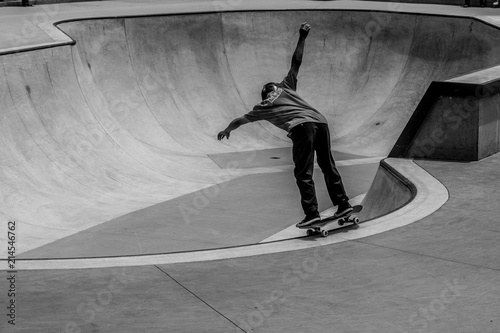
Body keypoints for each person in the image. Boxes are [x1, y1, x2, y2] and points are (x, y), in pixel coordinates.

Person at [217, 22, 352, 228]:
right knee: (327, 166)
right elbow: (296, 62)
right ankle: (343, 204)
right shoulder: (286, 86)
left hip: (301, 128)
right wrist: (302, 37)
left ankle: (312, 214)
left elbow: (240, 120)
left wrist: (227, 130)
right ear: (276, 87)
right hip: (320, 122)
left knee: (303, 173)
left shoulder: (263, 105)